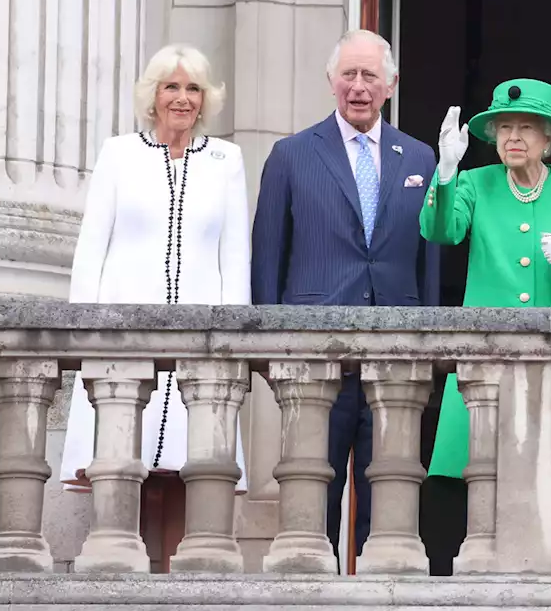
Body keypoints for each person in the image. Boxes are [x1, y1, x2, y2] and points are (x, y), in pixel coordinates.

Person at [251, 29, 440, 564]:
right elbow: (268, 257)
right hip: (315, 361)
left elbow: (429, 260)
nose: (359, 87)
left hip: (396, 362)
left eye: (370, 77)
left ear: (391, 85)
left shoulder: (420, 158)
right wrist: (269, 349)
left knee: (390, 512)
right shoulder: (290, 155)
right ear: (331, 81)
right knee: (311, 509)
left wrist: (426, 343)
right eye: (349, 75)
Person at [61, 43, 250, 572]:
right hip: (123, 340)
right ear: (153, 94)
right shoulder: (118, 153)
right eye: (172, 86)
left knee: (188, 473)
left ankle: (175, 594)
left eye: (193, 88)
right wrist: (80, 338)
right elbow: (90, 252)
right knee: (123, 465)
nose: (183, 98)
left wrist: (236, 343)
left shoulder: (226, 160)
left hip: (201, 344)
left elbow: (235, 259)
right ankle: (124, 590)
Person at [419, 79, 551, 575]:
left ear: (549, 138)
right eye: (504, 127)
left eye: (526, 128)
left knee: (549, 483)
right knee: (468, 478)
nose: (513, 137)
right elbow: (441, 231)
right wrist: (445, 170)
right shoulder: (475, 183)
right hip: (484, 360)